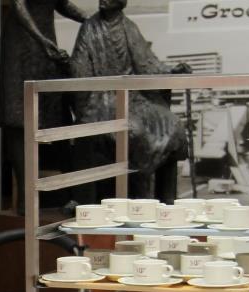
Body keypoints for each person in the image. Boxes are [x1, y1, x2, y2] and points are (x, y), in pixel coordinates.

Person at [69, 0, 191, 202]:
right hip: (101, 98)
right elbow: (79, 69)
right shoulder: (89, 28)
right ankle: (138, 198)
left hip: (134, 97)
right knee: (134, 130)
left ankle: (166, 201)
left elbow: (147, 63)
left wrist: (171, 70)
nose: (103, 0)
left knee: (172, 124)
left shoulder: (129, 27)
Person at [0, 0, 88, 214]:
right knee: (18, 117)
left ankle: (55, 195)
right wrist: (40, 39)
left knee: (48, 112)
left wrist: (90, 20)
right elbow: (18, 5)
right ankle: (26, 198)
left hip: (45, 43)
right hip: (21, 42)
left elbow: (62, 3)